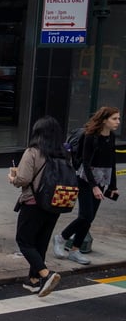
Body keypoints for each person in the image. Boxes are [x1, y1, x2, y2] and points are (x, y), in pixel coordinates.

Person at [53, 106, 120, 264]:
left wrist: (113, 185)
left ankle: (75, 250)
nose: (118, 121)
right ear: (104, 120)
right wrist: (94, 186)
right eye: (114, 118)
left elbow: (112, 162)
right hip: (85, 179)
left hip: (102, 180)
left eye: (118, 118)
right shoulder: (90, 136)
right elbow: (85, 163)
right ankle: (61, 238)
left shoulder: (111, 136)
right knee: (86, 215)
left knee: (89, 218)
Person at [9, 116, 66, 297]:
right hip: (55, 204)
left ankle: (45, 274)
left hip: (33, 203)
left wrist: (12, 178)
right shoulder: (64, 154)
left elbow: (23, 179)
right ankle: (34, 281)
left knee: (24, 241)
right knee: (41, 242)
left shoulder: (33, 152)